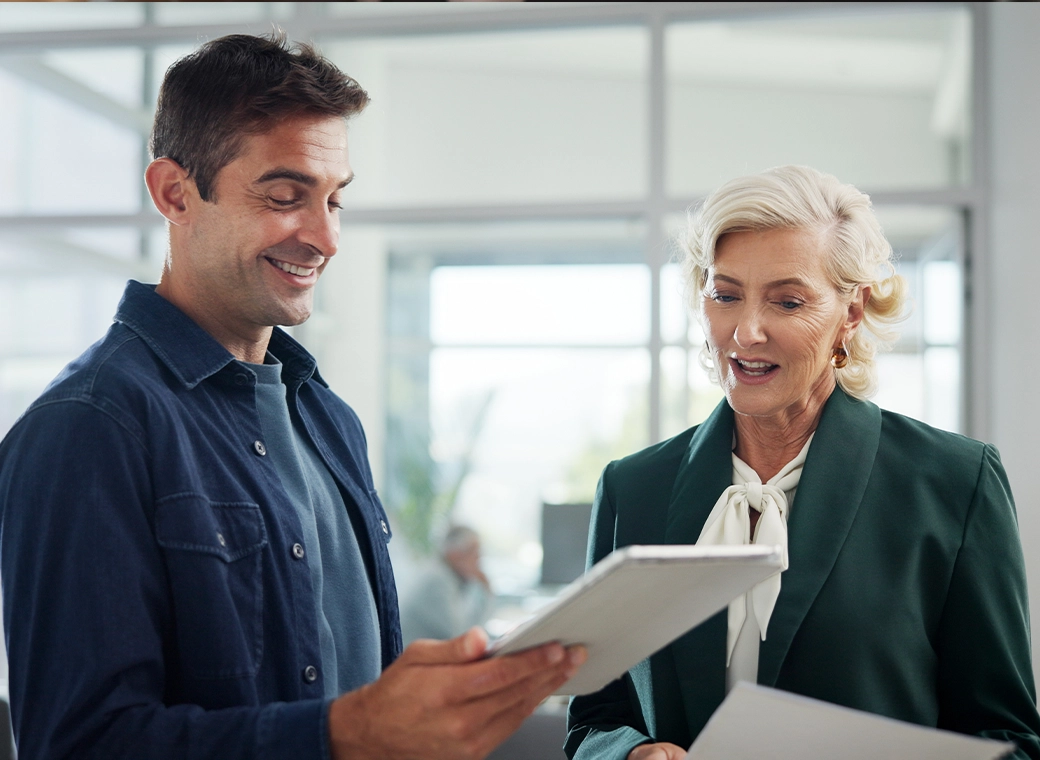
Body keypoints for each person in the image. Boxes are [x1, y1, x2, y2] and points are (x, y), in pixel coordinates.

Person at [0, 33, 584, 760]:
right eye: (284, 197)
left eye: (335, 200)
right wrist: (350, 733)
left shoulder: (327, 420)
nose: (325, 237)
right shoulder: (89, 427)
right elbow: (78, 743)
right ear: (174, 193)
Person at [565, 165, 1040, 760]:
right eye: (725, 295)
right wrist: (630, 755)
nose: (747, 331)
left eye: (787, 301)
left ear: (851, 312)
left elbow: (1009, 739)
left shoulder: (953, 484)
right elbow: (593, 720)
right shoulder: (633, 488)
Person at [401, 525, 495, 645]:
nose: (477, 560)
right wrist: (486, 591)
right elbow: (463, 636)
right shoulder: (438, 581)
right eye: (473, 552)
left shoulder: (450, 579)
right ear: (454, 553)